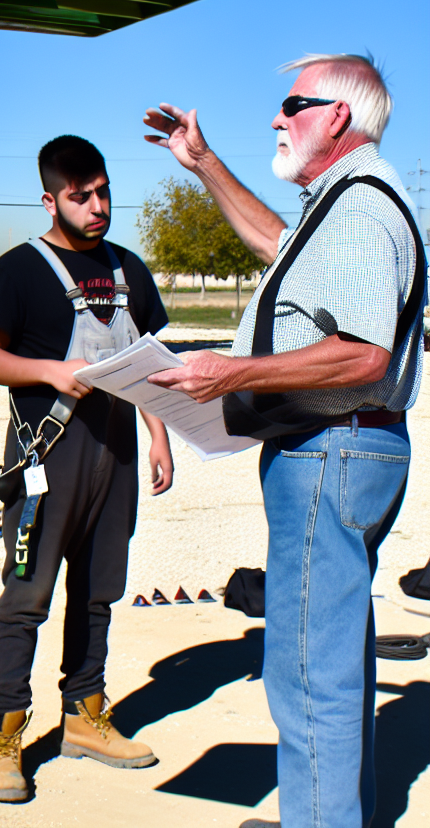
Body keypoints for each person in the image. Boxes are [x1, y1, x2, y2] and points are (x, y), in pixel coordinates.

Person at [143, 53, 424, 828]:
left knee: (306, 674)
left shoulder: (361, 207)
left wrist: (233, 374)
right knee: (333, 660)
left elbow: (364, 352)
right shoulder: (341, 203)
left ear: (338, 116)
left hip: (330, 449)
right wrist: (204, 164)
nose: (277, 117)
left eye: (292, 105)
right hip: (345, 449)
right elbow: (281, 248)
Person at [0, 136, 174, 803]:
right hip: (46, 455)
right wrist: (48, 370)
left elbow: (148, 357)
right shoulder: (19, 271)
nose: (96, 206)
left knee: (98, 591)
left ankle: (85, 715)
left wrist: (159, 434)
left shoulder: (129, 270)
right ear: (50, 198)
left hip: (114, 451)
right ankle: (3, 732)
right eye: (80, 195)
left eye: (103, 191)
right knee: (26, 595)